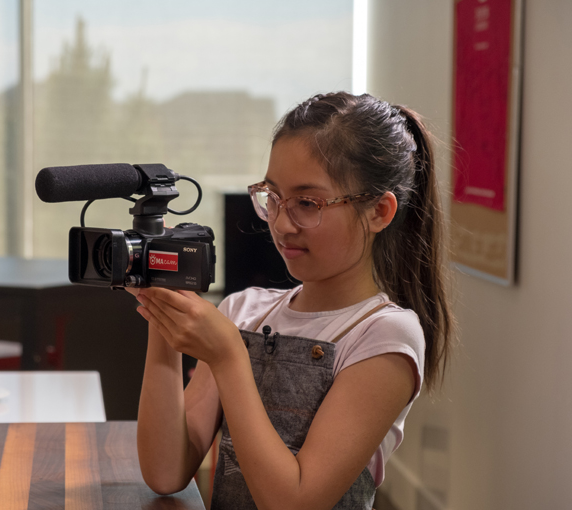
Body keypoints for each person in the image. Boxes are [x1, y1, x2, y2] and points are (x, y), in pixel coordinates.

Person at [128, 91, 454, 510]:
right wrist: (163, 308)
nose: (282, 223)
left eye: (307, 203)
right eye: (273, 197)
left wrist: (229, 357)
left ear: (379, 212)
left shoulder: (384, 335)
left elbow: (295, 500)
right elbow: (165, 471)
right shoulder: (242, 311)